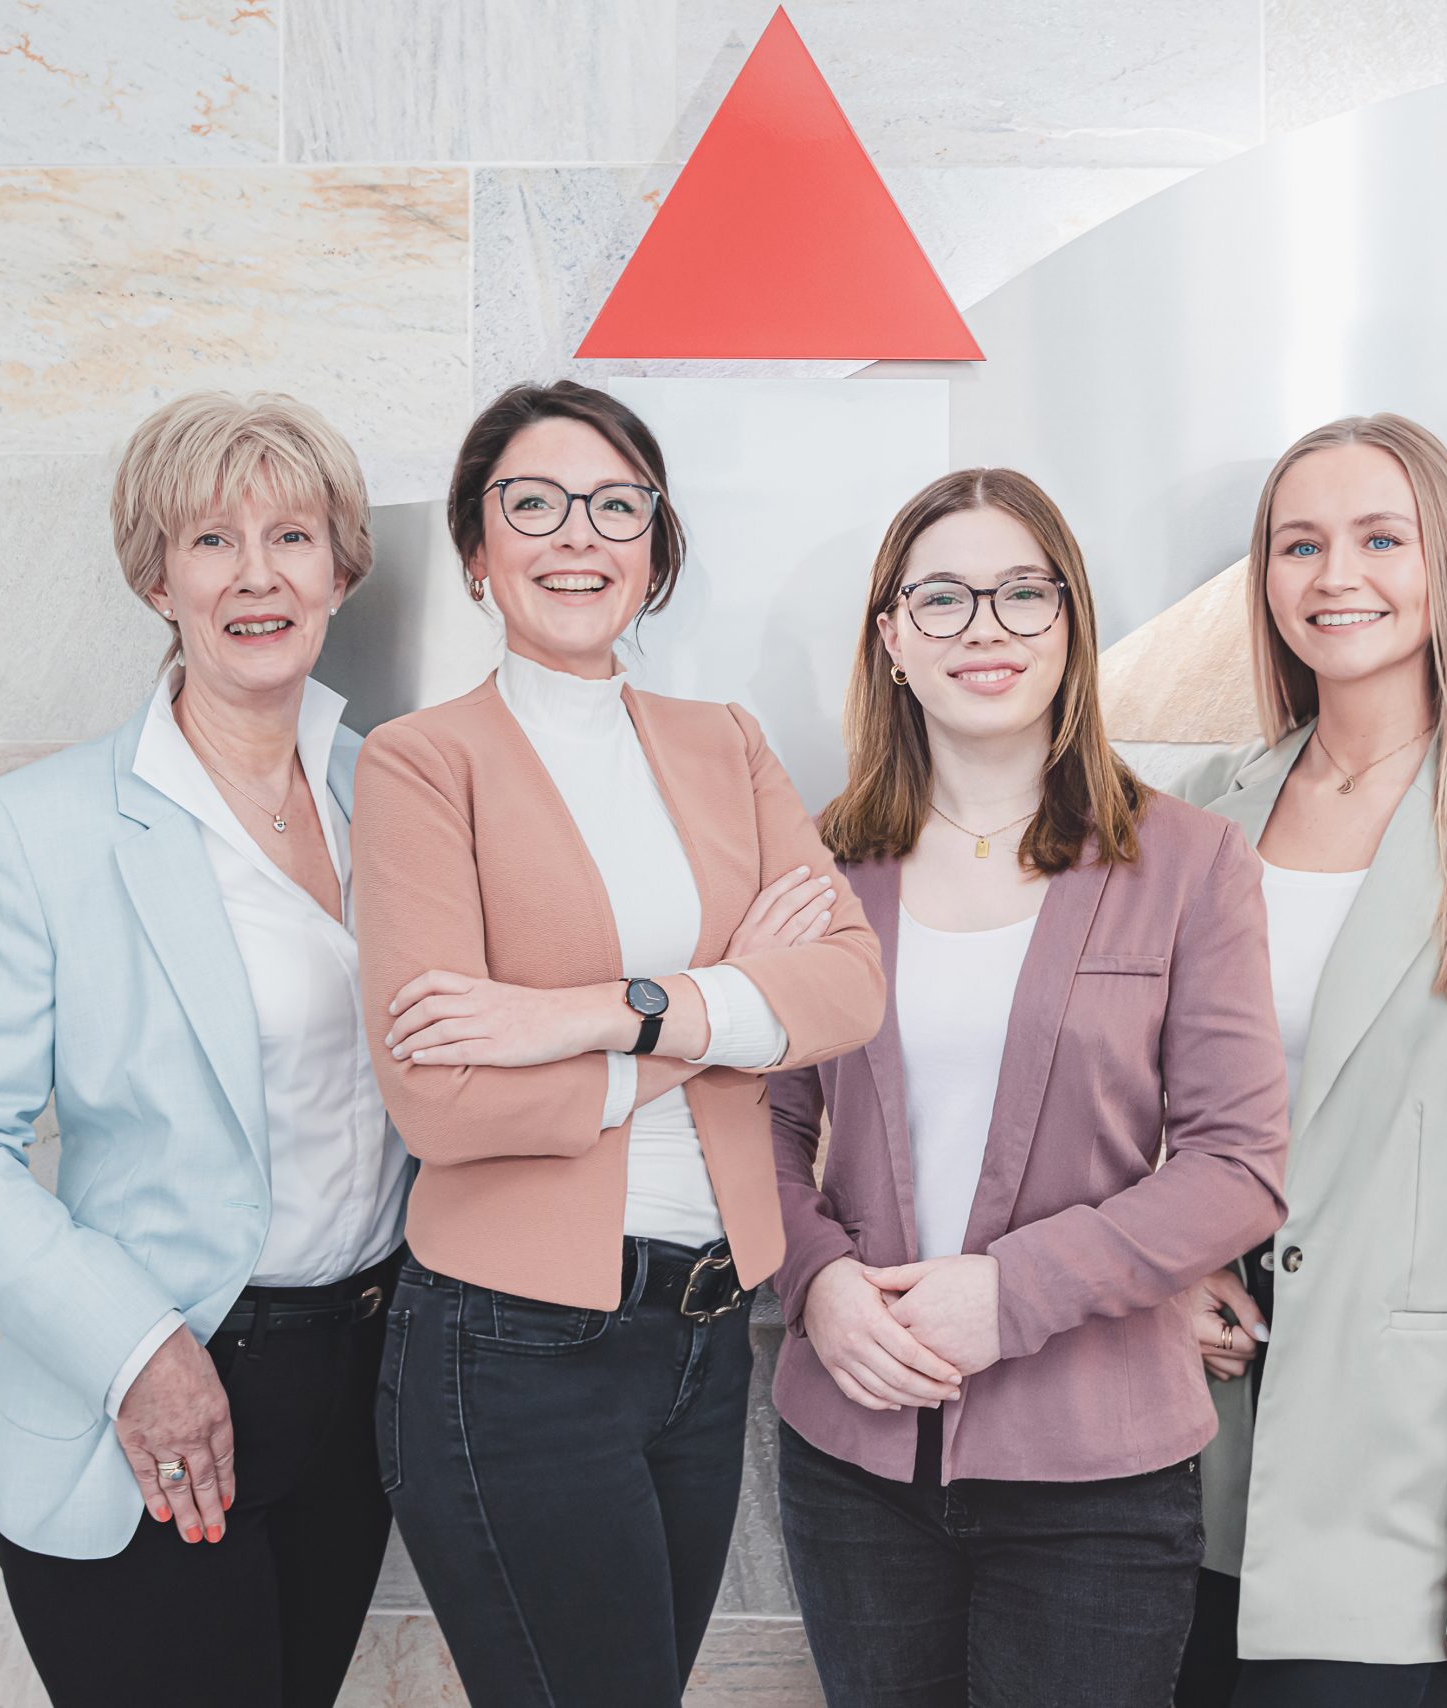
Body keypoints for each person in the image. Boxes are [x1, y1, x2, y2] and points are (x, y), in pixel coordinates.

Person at [352, 380, 883, 1708]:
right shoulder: (421, 764)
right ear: (478, 548)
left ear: (655, 548)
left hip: (705, 1331)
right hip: (512, 1346)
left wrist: (595, 1011)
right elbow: (442, 1101)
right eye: (533, 504)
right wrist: (719, 1011)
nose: (577, 534)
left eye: (615, 505)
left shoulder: (726, 745)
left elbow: (846, 988)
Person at [0, 393, 405, 1707]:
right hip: (157, 1407)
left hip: (360, 1394)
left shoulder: (398, 793)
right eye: (212, 540)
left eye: (292, 536)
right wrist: (138, 1350)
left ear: (341, 569)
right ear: (157, 580)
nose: (256, 575)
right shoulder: (42, 829)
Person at [764, 467, 1292, 1708]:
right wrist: (817, 1281)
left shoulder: (1191, 862)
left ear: (1069, 625)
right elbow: (756, 1124)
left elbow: (1238, 1165)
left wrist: (1010, 1293)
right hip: (853, 1457)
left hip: (1097, 1478)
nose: (984, 627)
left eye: (1021, 593)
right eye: (941, 598)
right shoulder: (816, 862)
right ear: (892, 640)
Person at [1161, 415, 1447, 1708]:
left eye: (1380, 539)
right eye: (1299, 544)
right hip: (1184, 1448)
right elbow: (1126, 1105)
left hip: (1398, 1481)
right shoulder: (1200, 812)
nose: (1336, 576)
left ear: (1444, 569)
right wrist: (1165, 1270)